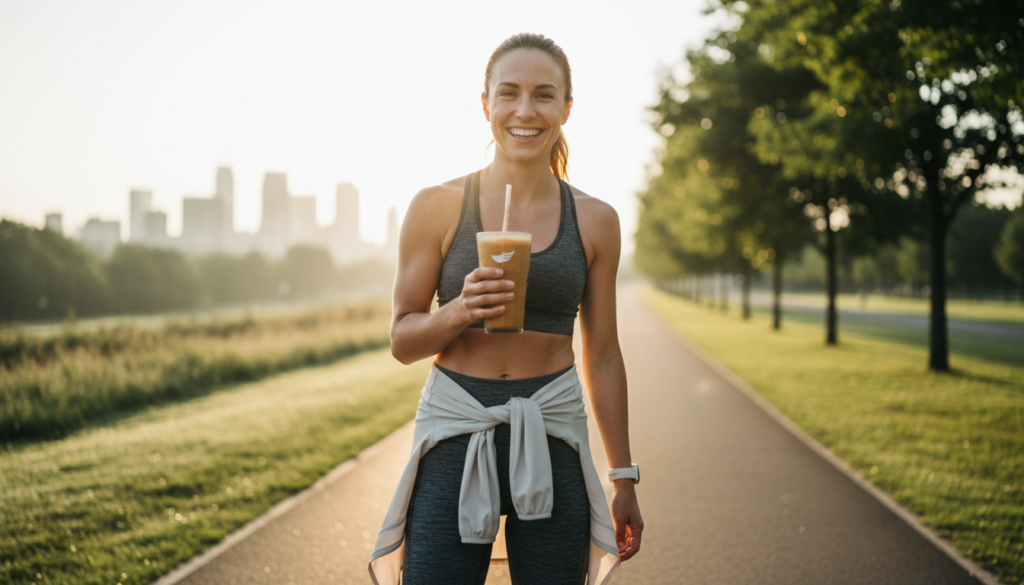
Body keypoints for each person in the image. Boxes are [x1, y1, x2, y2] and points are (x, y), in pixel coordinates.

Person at [369, 32, 642, 585]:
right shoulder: (437, 206)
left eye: (544, 95)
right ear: (486, 104)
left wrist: (624, 478)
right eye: (509, 93)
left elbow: (605, 355)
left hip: (553, 429)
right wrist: (459, 310)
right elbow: (402, 341)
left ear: (566, 109)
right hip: (454, 425)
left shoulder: (595, 220)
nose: (525, 110)